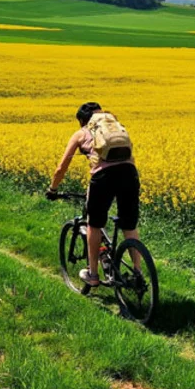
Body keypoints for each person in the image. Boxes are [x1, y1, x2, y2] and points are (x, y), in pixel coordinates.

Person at [47, 102, 141, 287]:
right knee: (128, 224)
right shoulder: (115, 126)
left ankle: (93, 274)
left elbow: (61, 167)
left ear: (82, 120)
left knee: (94, 223)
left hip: (104, 178)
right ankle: (138, 272)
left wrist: (53, 189)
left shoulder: (82, 132)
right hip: (130, 174)